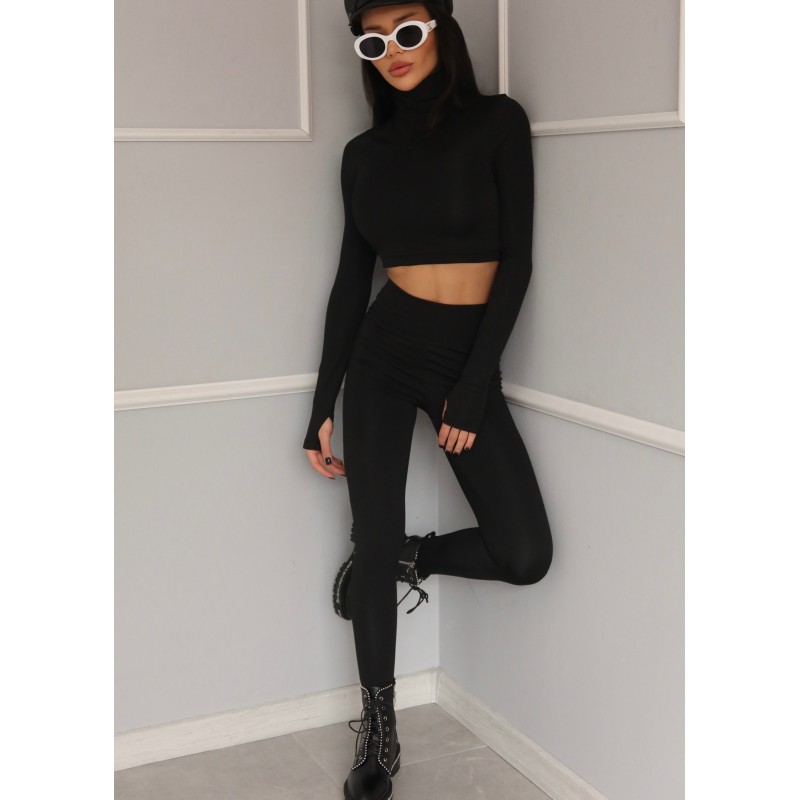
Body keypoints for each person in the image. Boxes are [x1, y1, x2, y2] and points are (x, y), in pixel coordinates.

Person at [302, 2, 553, 798]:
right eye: (374, 41)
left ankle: (411, 556)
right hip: (384, 354)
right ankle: (379, 731)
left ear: (441, 27)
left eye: (407, 30)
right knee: (368, 534)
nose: (393, 51)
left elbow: (517, 263)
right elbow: (352, 283)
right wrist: (321, 405)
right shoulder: (363, 155)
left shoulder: (497, 124)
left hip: (463, 362)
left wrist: (474, 387)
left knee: (524, 554)